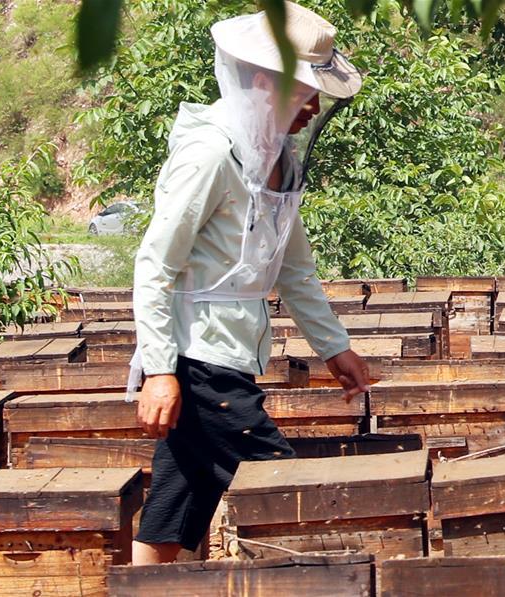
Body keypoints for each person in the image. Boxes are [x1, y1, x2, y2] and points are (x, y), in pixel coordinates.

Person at [129, 1, 369, 564]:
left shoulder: (273, 156)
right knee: (281, 487)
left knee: (173, 508)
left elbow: (293, 266)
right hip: (197, 358)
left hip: (231, 353)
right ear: (264, 81)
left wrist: (334, 347)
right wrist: (161, 370)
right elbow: (155, 264)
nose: (313, 107)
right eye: (305, 91)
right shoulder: (210, 153)